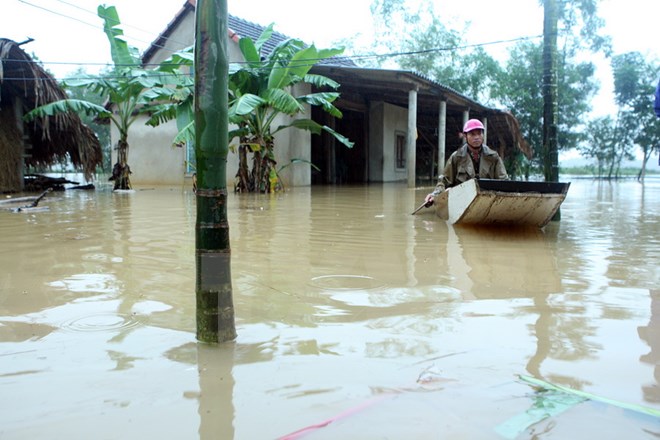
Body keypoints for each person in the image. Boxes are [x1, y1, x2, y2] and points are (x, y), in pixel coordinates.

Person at [425, 118, 508, 204]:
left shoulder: (494, 157)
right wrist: (434, 194)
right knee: (448, 190)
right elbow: (444, 181)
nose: (476, 137)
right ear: (465, 136)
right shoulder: (456, 157)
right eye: (472, 134)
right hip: (462, 198)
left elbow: (504, 182)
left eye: (479, 133)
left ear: (483, 135)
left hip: (488, 199)